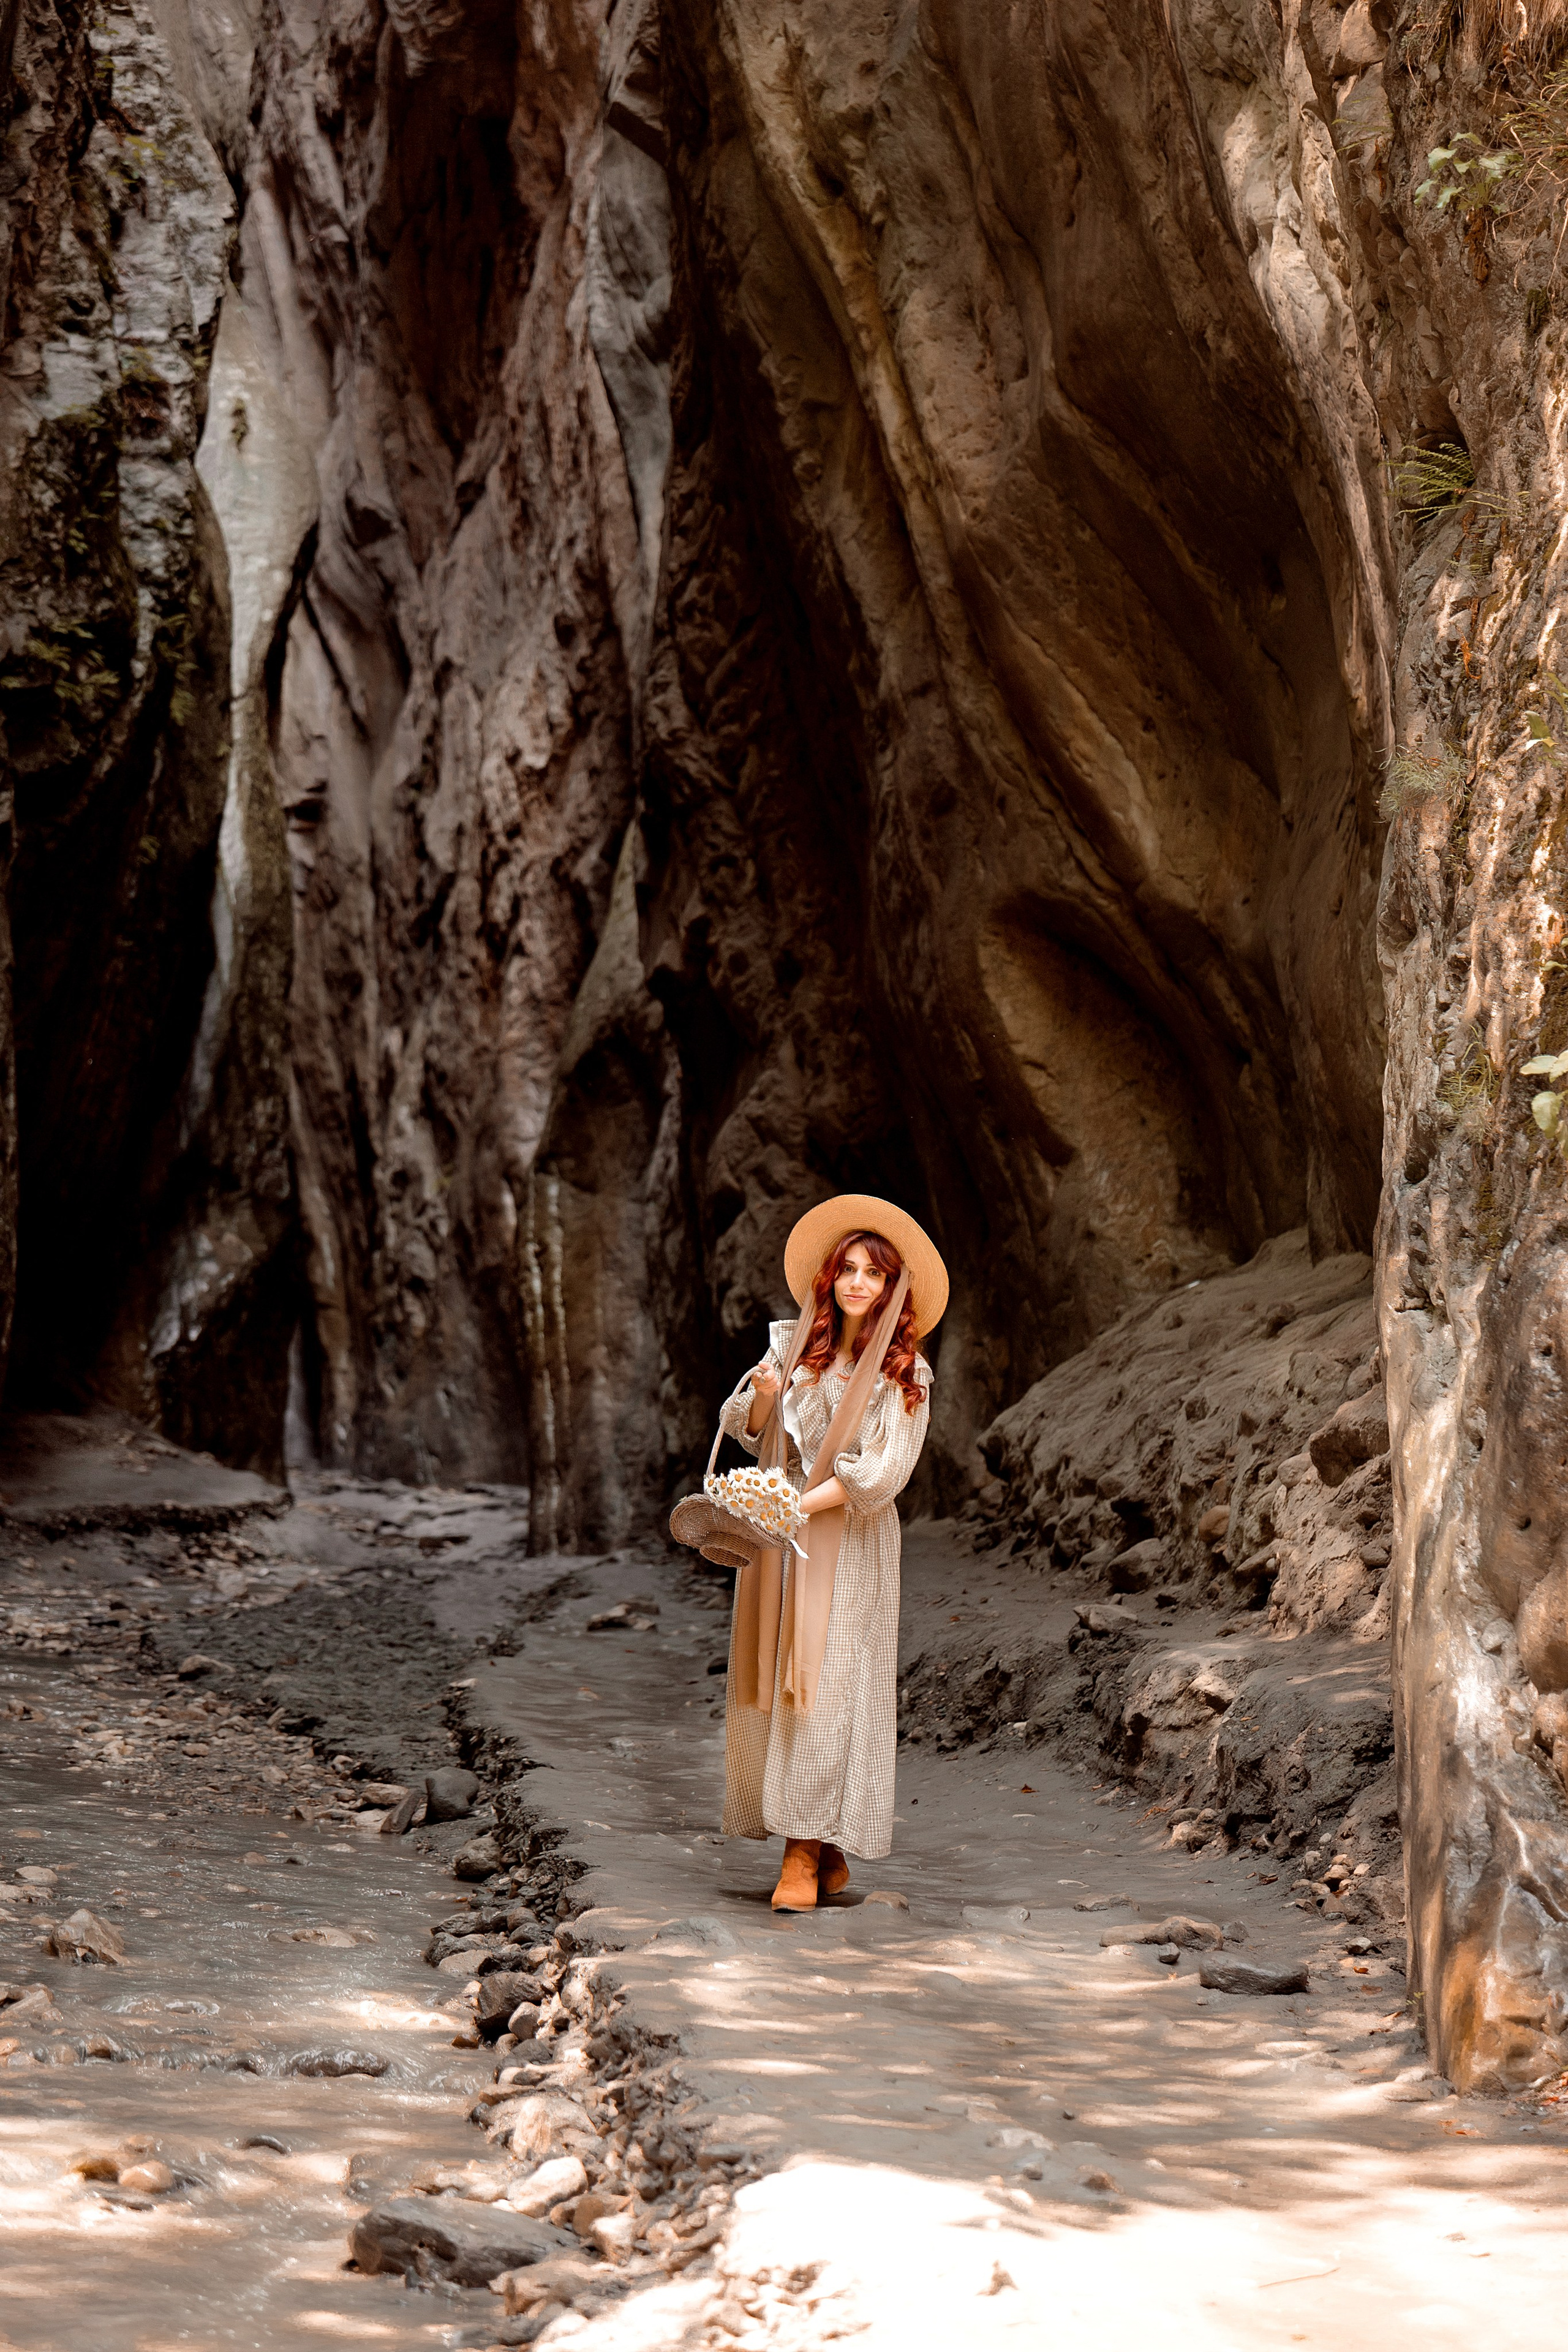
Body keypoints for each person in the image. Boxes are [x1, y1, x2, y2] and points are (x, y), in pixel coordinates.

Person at [715, 1194, 948, 1912]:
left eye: (872, 1274)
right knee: (776, 1680)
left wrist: (795, 1507)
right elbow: (746, 1429)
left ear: (891, 1290)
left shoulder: (905, 1374)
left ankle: (802, 1854)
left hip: (845, 1540)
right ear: (829, 1278)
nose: (855, 1283)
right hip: (779, 1536)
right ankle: (823, 1841)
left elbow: (879, 1476)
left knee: (826, 1684)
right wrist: (763, 1397)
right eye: (846, 1269)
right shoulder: (790, 1344)